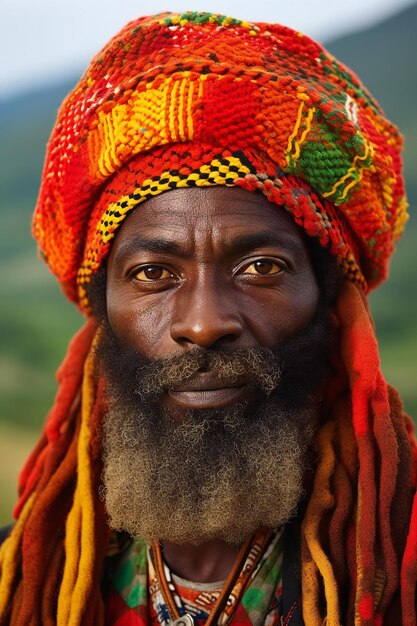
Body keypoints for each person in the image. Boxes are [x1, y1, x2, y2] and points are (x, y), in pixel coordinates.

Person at [0, 10, 415, 626]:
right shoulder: (32, 581)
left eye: (261, 267)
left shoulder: (397, 562)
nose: (203, 323)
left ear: (331, 302)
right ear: (102, 312)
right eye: (152, 274)